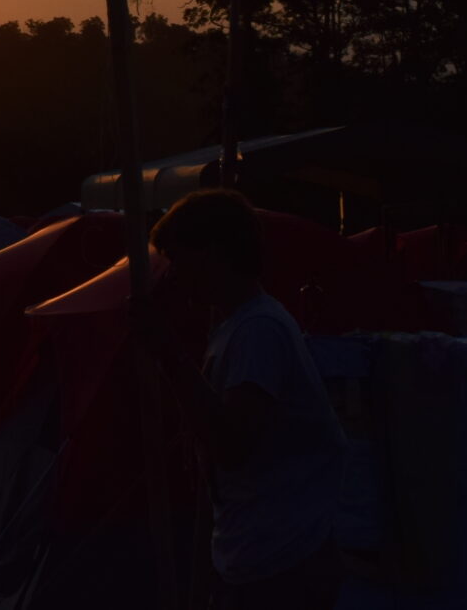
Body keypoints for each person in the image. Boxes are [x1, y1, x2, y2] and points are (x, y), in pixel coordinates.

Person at [147, 188, 349, 610]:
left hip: (283, 564)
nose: (173, 275)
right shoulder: (235, 327)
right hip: (256, 556)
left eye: (179, 259)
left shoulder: (259, 331)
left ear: (212, 253)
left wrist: (168, 354)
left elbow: (233, 444)